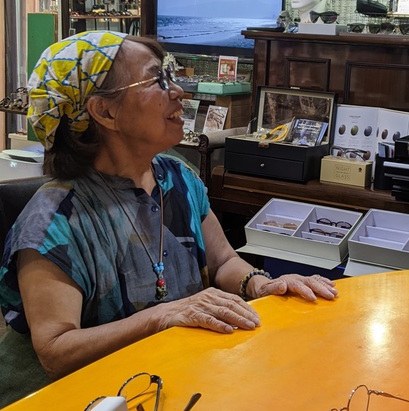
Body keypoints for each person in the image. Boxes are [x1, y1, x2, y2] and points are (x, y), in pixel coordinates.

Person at [0, 31, 337, 406]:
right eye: (157, 79)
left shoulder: (176, 175)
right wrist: (162, 317)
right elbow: (56, 351)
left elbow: (222, 260)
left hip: (168, 379)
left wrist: (261, 286)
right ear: (104, 111)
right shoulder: (52, 222)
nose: (178, 91)